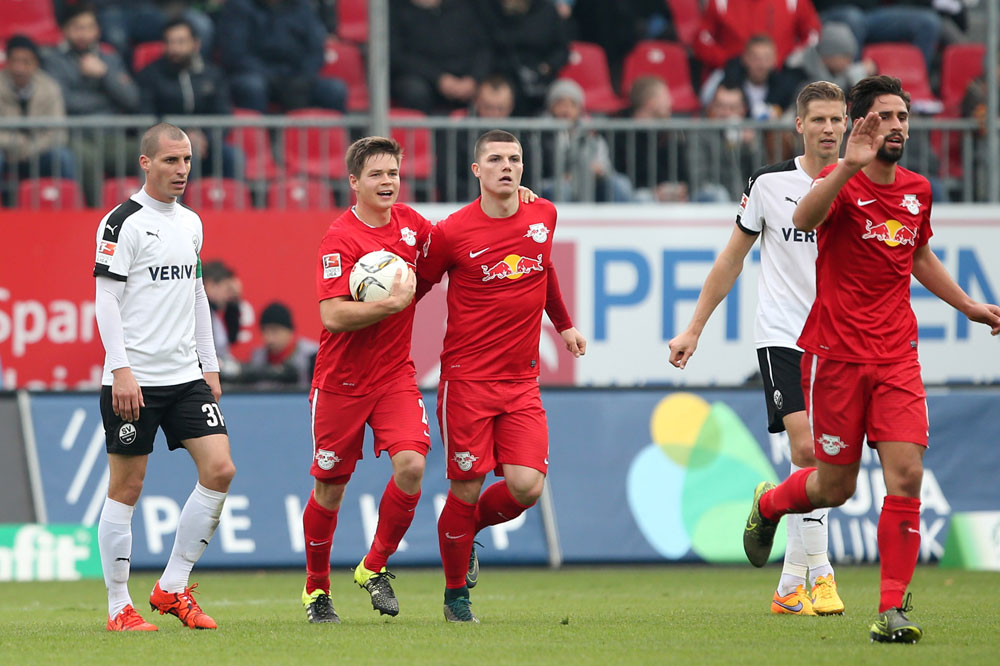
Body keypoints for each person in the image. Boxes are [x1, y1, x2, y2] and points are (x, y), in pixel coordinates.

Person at [742, 75, 1000, 643]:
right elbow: (803, 221)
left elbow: (919, 254)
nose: (897, 126)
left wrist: (969, 306)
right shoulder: (842, 185)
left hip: (897, 358)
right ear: (861, 124)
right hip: (837, 358)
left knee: (906, 475)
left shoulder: (917, 190)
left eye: (903, 116)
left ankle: (892, 611)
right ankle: (770, 504)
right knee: (834, 488)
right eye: (884, 116)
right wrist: (845, 167)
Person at [302, 135, 539, 623]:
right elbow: (331, 317)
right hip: (341, 381)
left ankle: (374, 565)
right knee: (331, 486)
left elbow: (465, 236)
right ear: (354, 183)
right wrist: (386, 304)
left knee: (411, 466)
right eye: (376, 175)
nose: (387, 182)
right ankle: (317, 590)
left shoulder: (414, 227)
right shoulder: (339, 238)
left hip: (393, 376)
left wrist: (517, 200)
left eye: (393, 173)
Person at [669, 81, 850, 617]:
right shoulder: (771, 184)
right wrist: (694, 329)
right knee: (810, 451)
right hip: (784, 336)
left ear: (847, 124)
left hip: (841, 341)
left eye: (836, 119)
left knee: (824, 463)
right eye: (817, 119)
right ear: (799, 125)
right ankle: (822, 576)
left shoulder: (858, 186)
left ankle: (789, 584)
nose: (827, 129)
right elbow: (731, 259)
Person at [417, 129, 587, 622]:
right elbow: (415, 288)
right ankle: (456, 597)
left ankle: (465, 534)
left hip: (521, 382)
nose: (506, 167)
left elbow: (544, 269)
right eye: (495, 159)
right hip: (467, 383)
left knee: (527, 486)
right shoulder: (451, 232)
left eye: (514, 158)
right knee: (466, 489)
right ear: (477, 171)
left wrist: (566, 325)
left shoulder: (543, 214)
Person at [93, 122, 236, 631]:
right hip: (133, 380)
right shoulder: (122, 222)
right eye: (171, 160)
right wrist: (121, 369)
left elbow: (196, 294)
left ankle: (172, 588)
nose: (182, 170)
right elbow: (106, 300)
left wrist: (210, 363)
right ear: (146, 163)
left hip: (185, 377)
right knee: (126, 488)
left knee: (220, 470)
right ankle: (118, 608)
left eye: (187, 160)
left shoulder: (192, 223)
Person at [44, 3, 141, 206]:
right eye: (78, 27)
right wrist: (108, 100)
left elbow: (132, 99)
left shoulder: (110, 58)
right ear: (65, 30)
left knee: (150, 155)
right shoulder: (54, 60)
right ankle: (99, 220)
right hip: (76, 136)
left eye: (89, 27)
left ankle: (152, 217)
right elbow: (65, 101)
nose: (84, 33)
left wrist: (105, 75)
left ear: (98, 30)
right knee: (88, 159)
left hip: (112, 137)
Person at [136, 18, 241, 180]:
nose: (174, 48)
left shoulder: (213, 75)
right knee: (181, 161)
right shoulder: (151, 75)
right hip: (168, 147)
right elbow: (148, 117)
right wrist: (183, 140)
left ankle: (236, 204)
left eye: (181, 42)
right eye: (170, 42)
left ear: (196, 44)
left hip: (207, 145)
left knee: (233, 156)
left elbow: (223, 115)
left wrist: (205, 138)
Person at [216, 0, 346, 114]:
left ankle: (341, 141)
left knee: (335, 90)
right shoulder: (238, 6)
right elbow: (235, 54)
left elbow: (316, 50)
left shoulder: (302, 6)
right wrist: (271, 77)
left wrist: (303, 77)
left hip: (295, 76)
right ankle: (257, 140)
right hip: (257, 75)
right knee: (253, 87)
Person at [0, 34, 75, 192]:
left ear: (36, 63)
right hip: (5, 153)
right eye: (15, 61)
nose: (19, 68)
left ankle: (72, 208)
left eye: (26, 61)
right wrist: (17, 143)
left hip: (39, 153)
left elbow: (58, 133)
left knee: (63, 157)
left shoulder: (49, 87)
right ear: (7, 62)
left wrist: (31, 148)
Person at [389, 0, 492, 115]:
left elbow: (483, 48)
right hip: (421, 79)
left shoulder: (466, 7)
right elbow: (397, 56)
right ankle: (423, 132)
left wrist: (474, 79)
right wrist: (438, 78)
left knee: (496, 92)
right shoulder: (396, 9)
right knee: (414, 90)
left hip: (465, 80)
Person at [542, 78, 633, 202]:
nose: (566, 109)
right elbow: (545, 167)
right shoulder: (542, 134)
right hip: (556, 181)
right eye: (561, 104)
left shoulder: (591, 133)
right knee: (561, 188)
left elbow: (605, 165)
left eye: (572, 104)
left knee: (620, 184)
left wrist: (600, 170)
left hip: (592, 182)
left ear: (579, 109)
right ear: (551, 107)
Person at [687, 83, 761, 202]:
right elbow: (699, 178)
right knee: (719, 194)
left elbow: (762, 175)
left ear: (743, 110)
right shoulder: (700, 134)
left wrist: (751, 148)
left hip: (743, 199)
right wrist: (729, 148)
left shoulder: (750, 135)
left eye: (732, 108)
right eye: (721, 107)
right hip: (711, 196)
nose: (726, 113)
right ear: (712, 108)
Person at [242, 302, 318, 390]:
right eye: (265, 331)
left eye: (275, 331)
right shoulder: (257, 358)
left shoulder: (312, 356)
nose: (269, 338)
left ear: (290, 331)